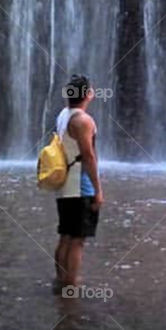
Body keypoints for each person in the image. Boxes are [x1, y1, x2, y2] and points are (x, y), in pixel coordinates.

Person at [53, 73, 103, 293]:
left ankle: (62, 280)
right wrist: (98, 190)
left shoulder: (64, 114)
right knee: (78, 240)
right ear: (88, 94)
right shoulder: (83, 121)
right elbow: (89, 156)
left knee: (66, 235)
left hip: (66, 184)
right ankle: (71, 286)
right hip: (80, 185)